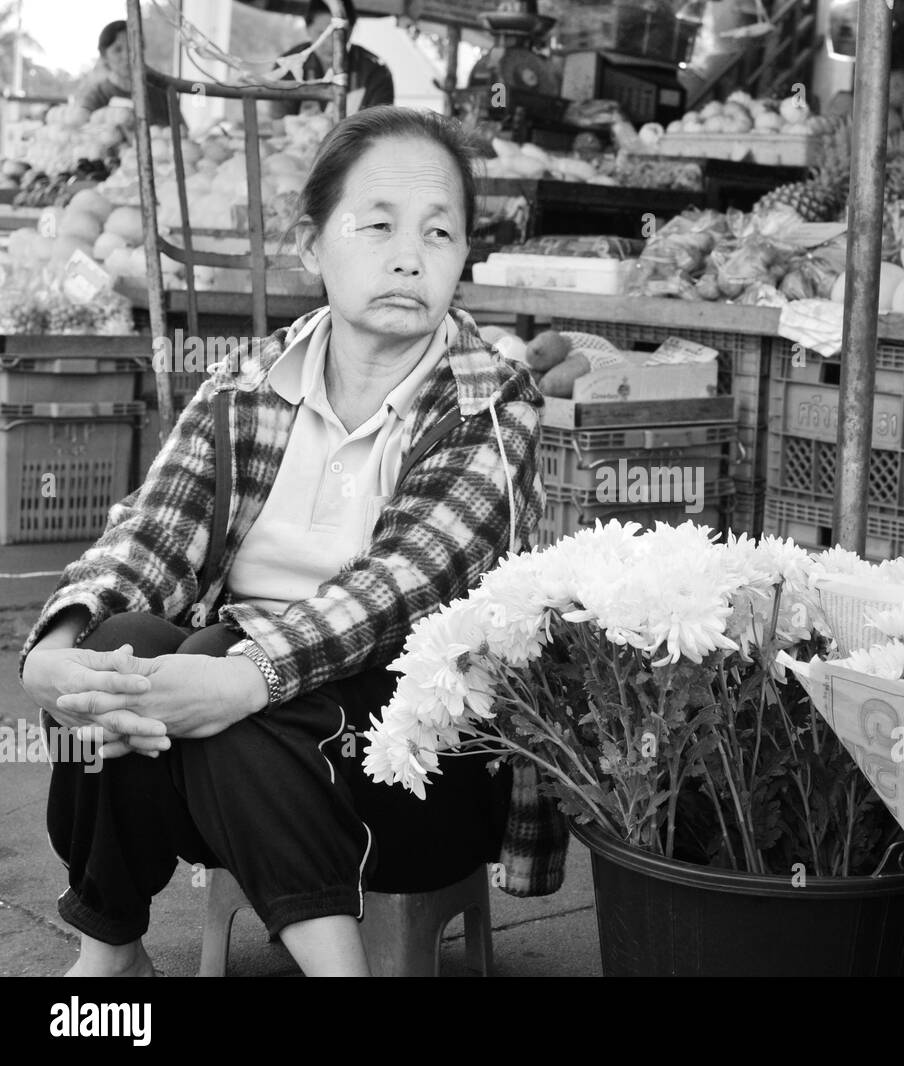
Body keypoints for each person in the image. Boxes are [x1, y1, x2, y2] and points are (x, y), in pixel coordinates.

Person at [18, 106, 552, 977]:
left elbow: (403, 587)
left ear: (462, 259)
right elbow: (152, 537)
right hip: (225, 763)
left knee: (229, 695)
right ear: (311, 245)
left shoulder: (493, 405)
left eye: (441, 233)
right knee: (120, 652)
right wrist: (57, 647)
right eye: (376, 225)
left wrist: (242, 675)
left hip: (411, 763)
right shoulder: (246, 384)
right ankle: (112, 949)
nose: (410, 256)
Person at [273, 0, 394, 118]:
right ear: (307, 29)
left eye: (339, 34)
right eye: (321, 33)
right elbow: (279, 127)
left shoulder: (376, 72)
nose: (332, 44)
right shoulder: (287, 67)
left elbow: (378, 131)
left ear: (351, 30)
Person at [72, 20, 170, 127]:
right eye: (118, 50)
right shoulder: (96, 96)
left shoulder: (160, 94)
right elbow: (78, 126)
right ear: (104, 57)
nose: (127, 56)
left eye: (133, 47)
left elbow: (182, 133)